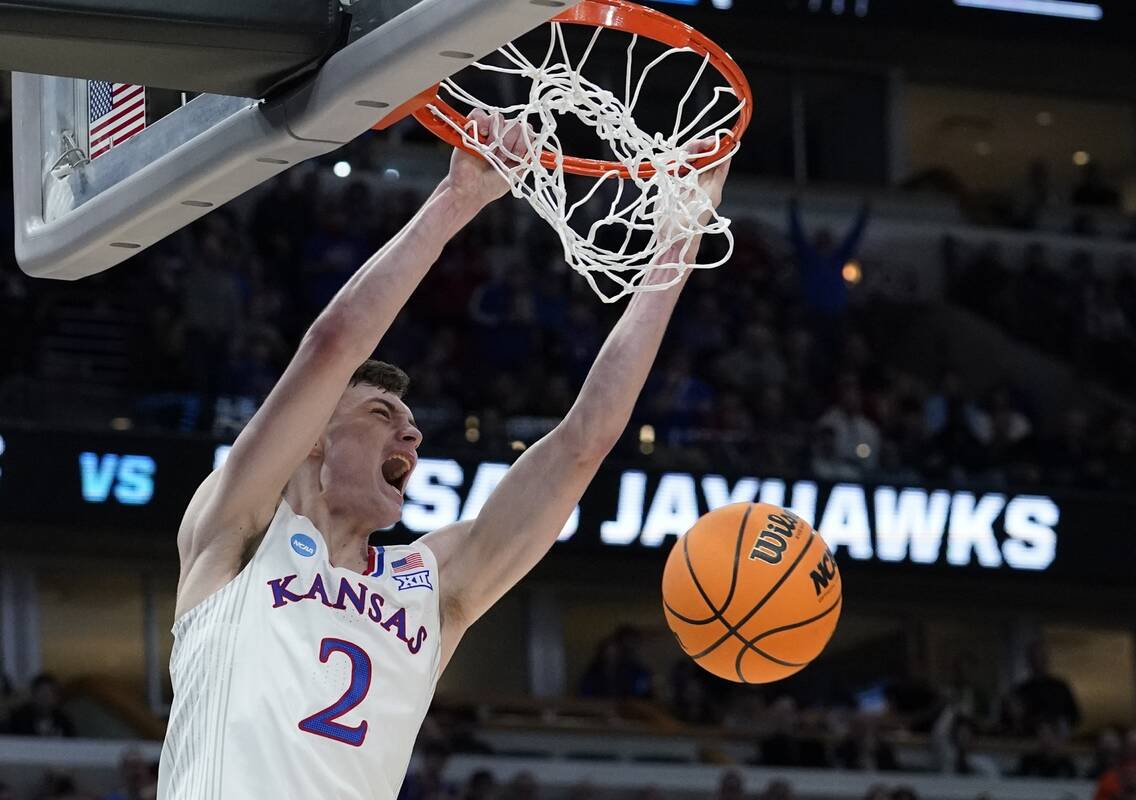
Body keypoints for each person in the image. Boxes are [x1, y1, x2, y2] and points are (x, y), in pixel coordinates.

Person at [155, 110, 732, 800]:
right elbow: (333, 344)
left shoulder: (428, 586)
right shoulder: (240, 532)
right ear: (313, 438)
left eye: (410, 422)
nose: (412, 435)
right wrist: (457, 199)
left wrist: (679, 237)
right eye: (380, 414)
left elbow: (585, 442)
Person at [1010, 641, 1081, 735]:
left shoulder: (1060, 687)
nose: (1038, 661)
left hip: (1059, 742)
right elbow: (1012, 722)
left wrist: (1059, 725)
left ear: (1046, 659)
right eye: (1034, 658)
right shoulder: (1021, 691)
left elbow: (1075, 716)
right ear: (1029, 661)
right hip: (1029, 743)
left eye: (1040, 657)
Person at [8, 674, 75, 738]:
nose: (45, 698)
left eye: (49, 694)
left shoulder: (63, 721)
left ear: (56, 697)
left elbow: (73, 743)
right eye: (42, 693)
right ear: (33, 695)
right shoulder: (18, 719)